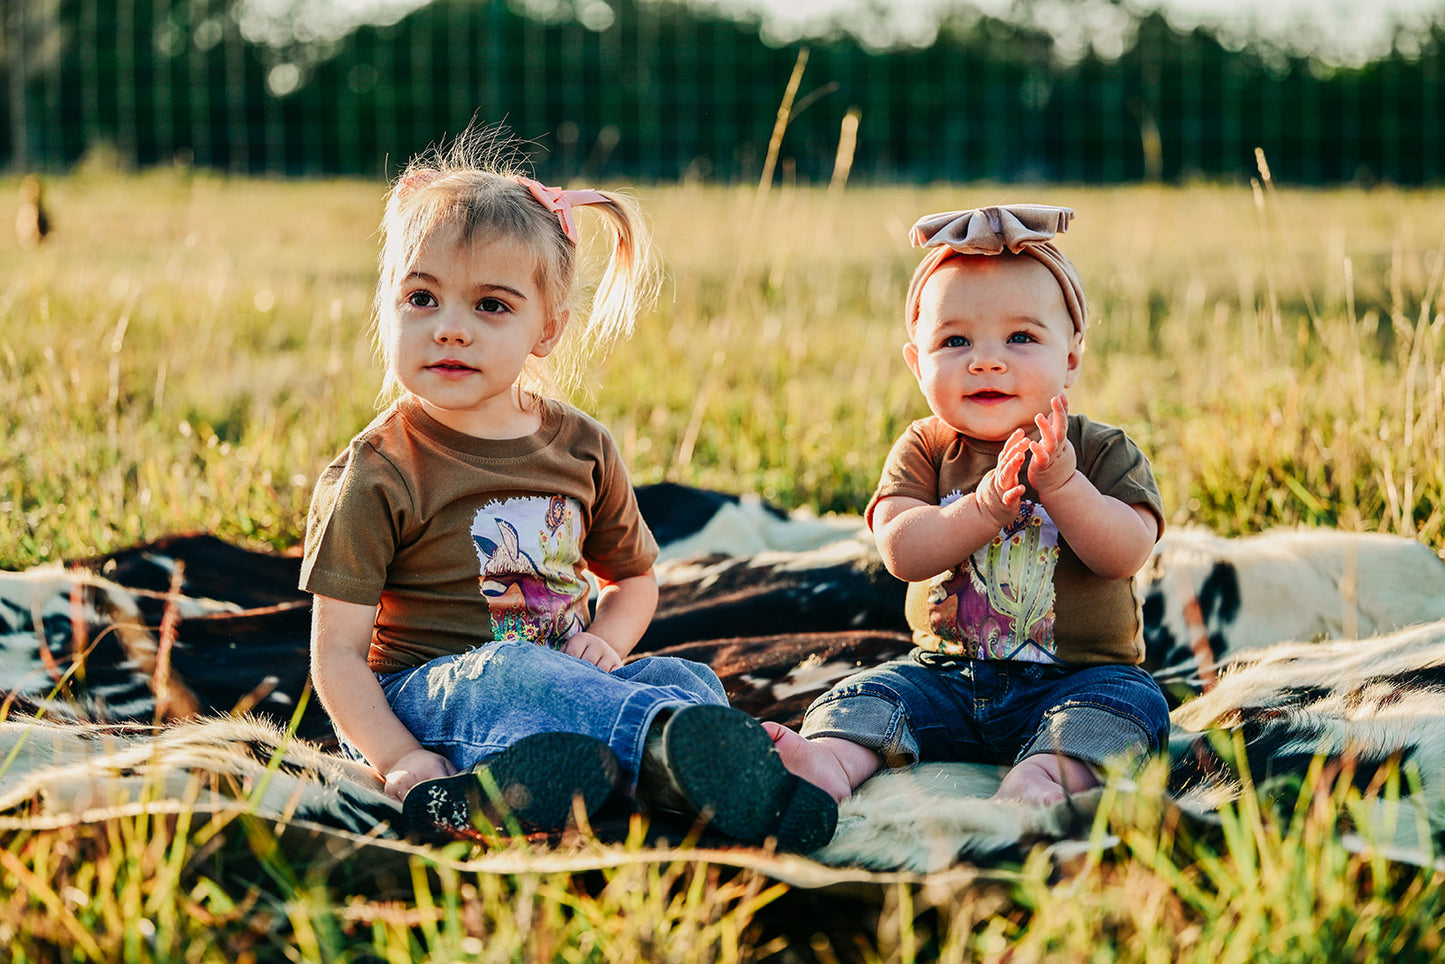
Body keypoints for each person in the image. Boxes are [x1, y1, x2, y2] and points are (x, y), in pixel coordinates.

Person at [299, 128, 836, 852]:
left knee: (684, 677)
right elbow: (336, 656)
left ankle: (577, 782)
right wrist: (400, 761)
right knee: (515, 672)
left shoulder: (580, 445)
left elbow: (634, 580)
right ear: (387, 307)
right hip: (430, 701)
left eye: (490, 306)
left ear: (546, 329)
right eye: (422, 298)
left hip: (561, 686)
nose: (449, 330)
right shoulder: (378, 470)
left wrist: (606, 644)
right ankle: (678, 766)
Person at [765, 204, 1170, 807]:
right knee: (874, 695)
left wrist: (1062, 485)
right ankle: (828, 764)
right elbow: (902, 550)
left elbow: (1127, 553)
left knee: (1131, 707)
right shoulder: (925, 448)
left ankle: (1042, 780)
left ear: (1071, 359)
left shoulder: (1101, 449)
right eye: (955, 340)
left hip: (1079, 678)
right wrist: (980, 510)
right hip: (945, 676)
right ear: (917, 362)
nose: (986, 359)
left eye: (1021, 337)